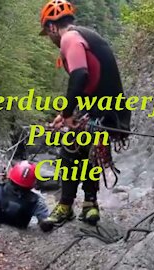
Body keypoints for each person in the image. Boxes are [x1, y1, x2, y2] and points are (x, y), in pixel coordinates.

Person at [38, 0, 131, 230]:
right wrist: (65, 114)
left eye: (47, 33)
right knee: (89, 149)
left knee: (70, 149)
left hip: (101, 111)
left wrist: (69, 114)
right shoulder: (86, 36)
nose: (49, 39)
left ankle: (66, 206)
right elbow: (90, 84)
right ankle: (90, 204)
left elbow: (79, 76)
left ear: (52, 27)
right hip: (110, 111)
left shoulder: (69, 38)